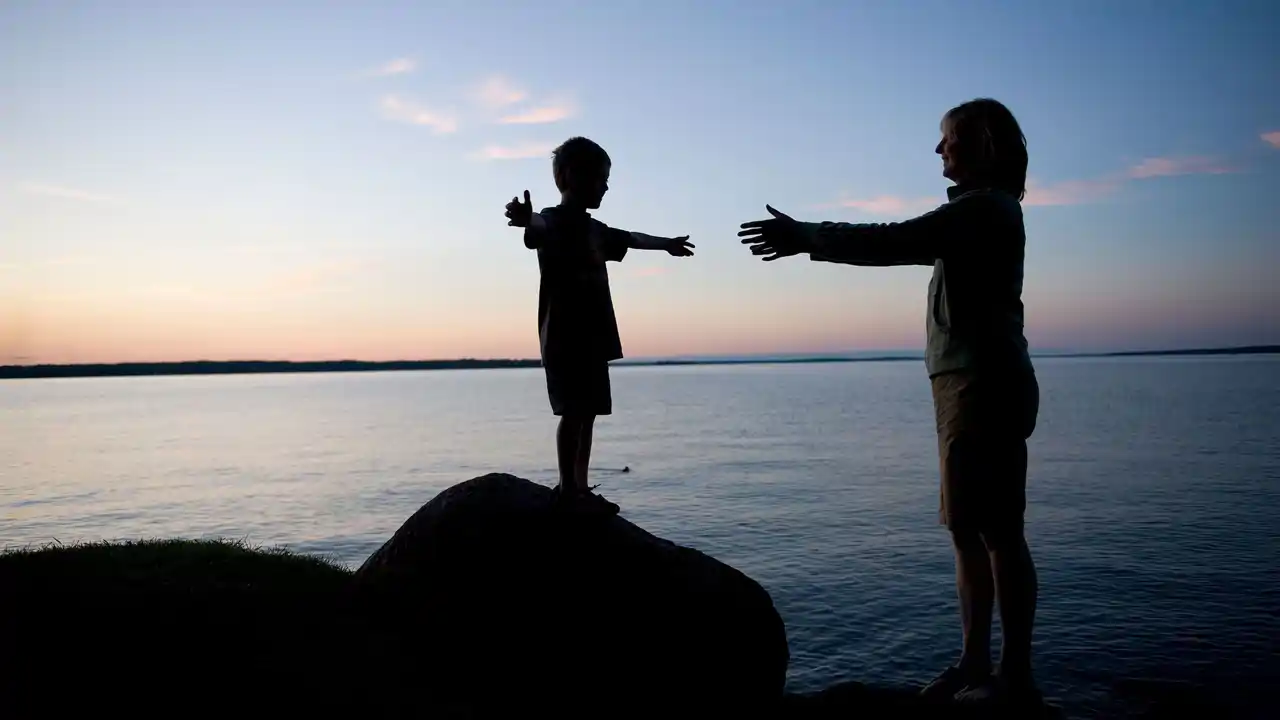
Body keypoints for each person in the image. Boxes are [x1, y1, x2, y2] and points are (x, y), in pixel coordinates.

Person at [738, 98, 1042, 707]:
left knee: (997, 532)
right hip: (963, 384)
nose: (938, 150)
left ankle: (1011, 676)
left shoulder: (984, 210)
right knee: (967, 529)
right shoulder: (981, 212)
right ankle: (978, 664)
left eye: (948, 138)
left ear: (983, 142)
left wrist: (805, 236)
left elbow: (894, 240)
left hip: (982, 383)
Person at [505, 136, 694, 514]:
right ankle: (567, 488)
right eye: (601, 178)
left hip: (593, 337)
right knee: (573, 412)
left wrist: (667, 244)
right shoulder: (553, 222)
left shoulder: (596, 230)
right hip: (563, 337)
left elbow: (633, 238)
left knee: (588, 412)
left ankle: (579, 485)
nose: (606, 186)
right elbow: (536, 228)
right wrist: (526, 219)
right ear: (572, 176)